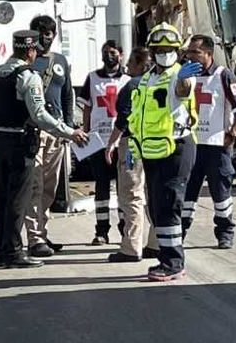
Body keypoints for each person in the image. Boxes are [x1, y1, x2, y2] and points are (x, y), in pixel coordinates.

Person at [0, 31, 89, 269]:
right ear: (31, 51)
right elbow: (40, 115)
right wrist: (69, 132)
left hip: (0, 142)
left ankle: (0, 251)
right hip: (20, 143)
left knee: (1, 199)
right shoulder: (28, 77)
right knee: (18, 200)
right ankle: (13, 252)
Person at [107, 23, 199, 282]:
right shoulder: (147, 80)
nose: (163, 53)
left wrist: (183, 82)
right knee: (157, 208)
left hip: (177, 148)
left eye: (169, 49)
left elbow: (183, 91)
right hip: (151, 151)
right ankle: (166, 258)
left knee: (169, 204)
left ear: (177, 51)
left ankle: (173, 262)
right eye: (158, 49)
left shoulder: (181, 75)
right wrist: (132, 149)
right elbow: (137, 118)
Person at [181, 35, 236, 249]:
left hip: (216, 147)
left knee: (220, 194)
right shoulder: (185, 77)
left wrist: (233, 133)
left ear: (208, 54)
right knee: (186, 194)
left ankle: (224, 233)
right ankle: (179, 233)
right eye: (189, 52)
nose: (190, 56)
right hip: (191, 145)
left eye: (195, 52)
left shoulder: (223, 75)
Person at [24, 15, 76, 257]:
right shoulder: (26, 62)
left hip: (56, 134)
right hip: (33, 132)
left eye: (51, 32)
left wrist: (68, 126)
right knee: (34, 186)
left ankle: (42, 233)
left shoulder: (61, 62)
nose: (47, 36)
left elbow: (67, 95)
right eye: (42, 32)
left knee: (49, 188)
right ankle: (34, 239)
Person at [104, 47, 159, 263]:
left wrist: (111, 143)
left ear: (142, 66)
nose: (127, 67)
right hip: (157, 145)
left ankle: (131, 246)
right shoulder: (161, 83)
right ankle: (156, 243)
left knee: (131, 193)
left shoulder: (133, 86)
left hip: (133, 146)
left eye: (131, 63)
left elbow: (123, 118)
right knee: (153, 193)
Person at [77, 40, 131, 246]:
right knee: (101, 186)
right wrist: (86, 130)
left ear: (121, 54)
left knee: (124, 187)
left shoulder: (127, 80)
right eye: (105, 52)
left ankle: (125, 229)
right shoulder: (92, 78)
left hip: (122, 141)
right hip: (99, 140)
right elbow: (87, 107)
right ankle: (101, 230)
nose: (109, 56)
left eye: (113, 52)